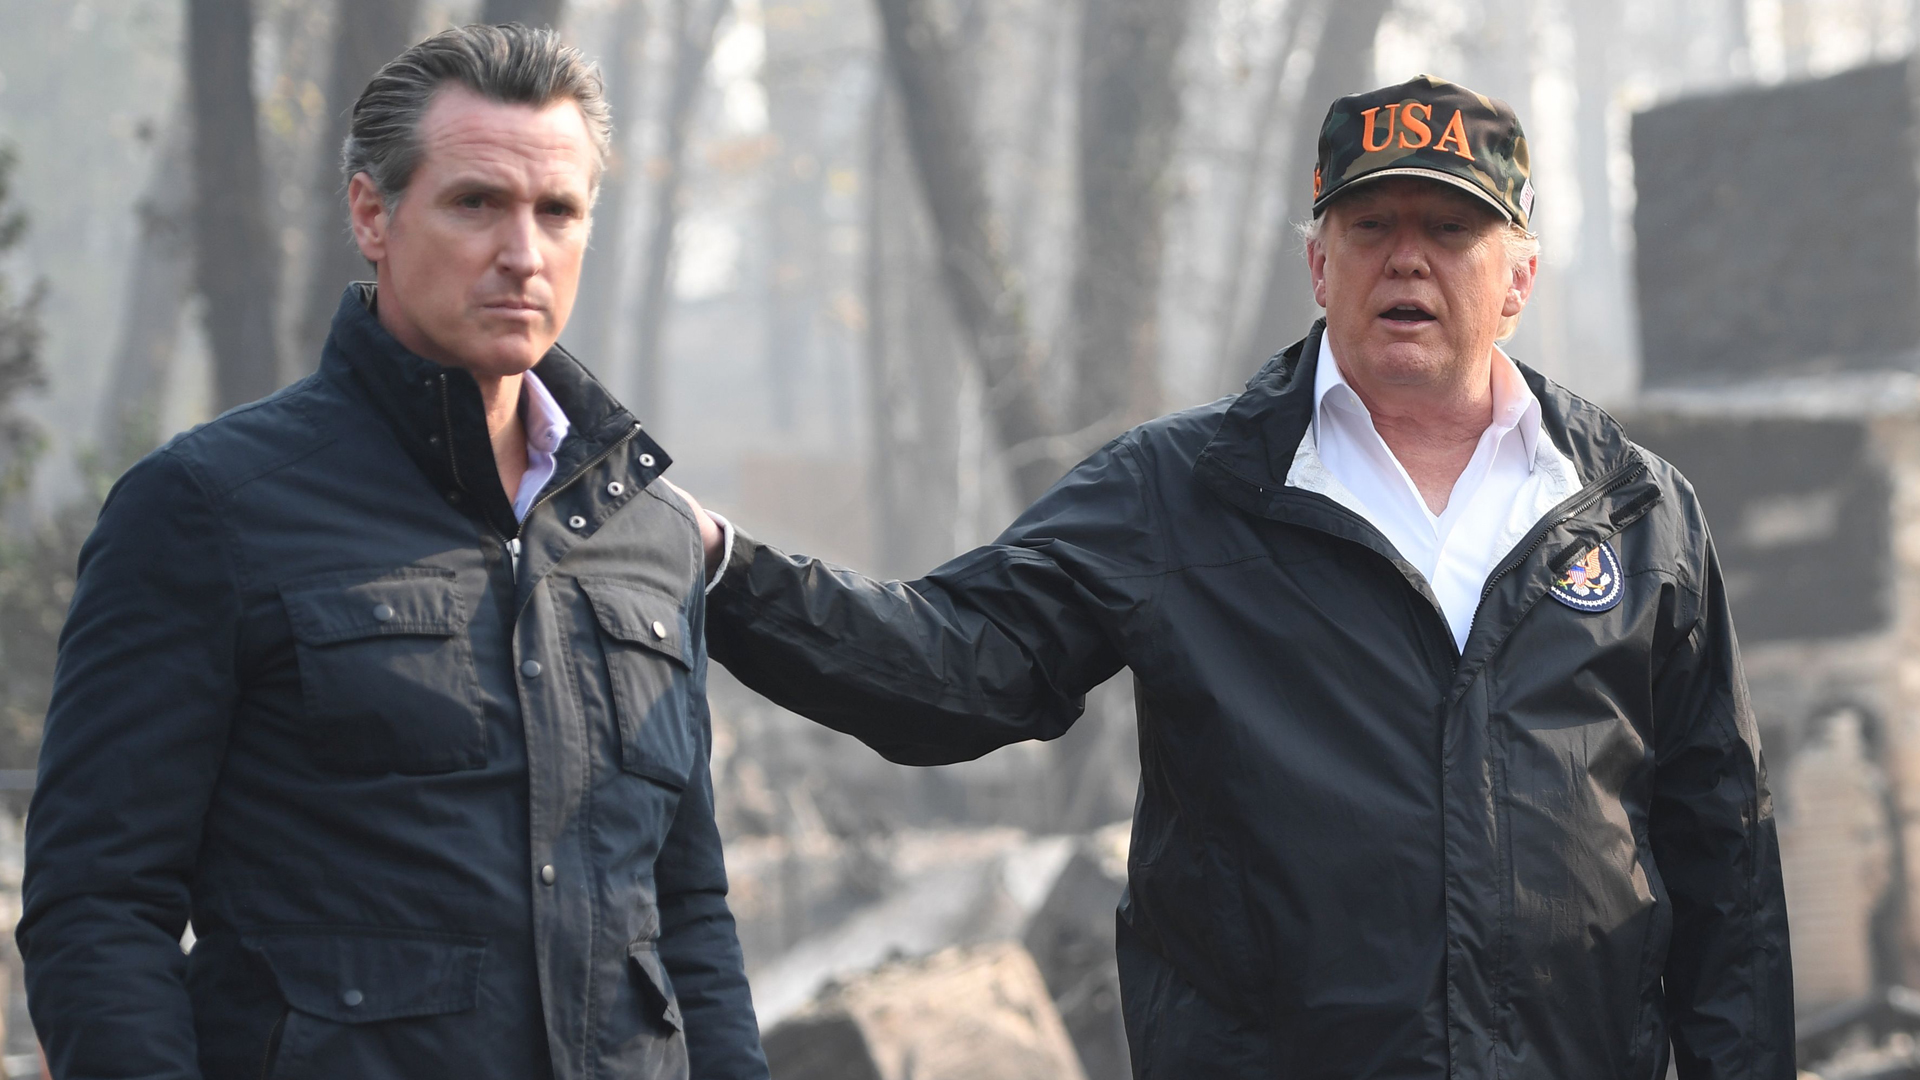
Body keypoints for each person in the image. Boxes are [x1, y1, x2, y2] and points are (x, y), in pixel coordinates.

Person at [690, 75, 1794, 1077]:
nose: (1406, 258)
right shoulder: (1182, 492)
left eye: (1452, 228)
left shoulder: (1637, 514)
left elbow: (1725, 871)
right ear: (1320, 265)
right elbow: (955, 664)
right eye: (1370, 226)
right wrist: (725, 571)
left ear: (1519, 277)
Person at [19, 25, 767, 1080]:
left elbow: (687, 912)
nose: (523, 252)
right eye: (476, 203)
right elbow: (97, 905)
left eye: (557, 211)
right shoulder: (206, 509)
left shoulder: (647, 535)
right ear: (373, 215)